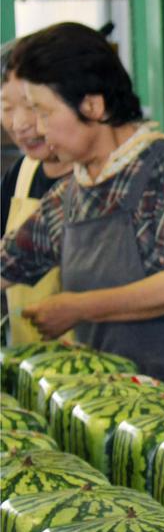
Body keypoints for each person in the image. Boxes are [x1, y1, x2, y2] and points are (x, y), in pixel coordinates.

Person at [0, 22, 164, 424]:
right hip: (116, 407)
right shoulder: (71, 195)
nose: (36, 127)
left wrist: (78, 307)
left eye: (44, 111)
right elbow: (9, 262)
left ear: (92, 106)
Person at [1, 37, 73, 344]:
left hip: (104, 364)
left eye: (34, 107)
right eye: (6, 107)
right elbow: (8, 260)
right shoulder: (22, 173)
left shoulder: (103, 180)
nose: (21, 124)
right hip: (32, 361)